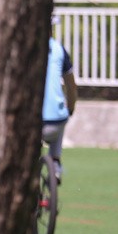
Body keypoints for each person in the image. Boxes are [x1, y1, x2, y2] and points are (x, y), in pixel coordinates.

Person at [42, 34, 78, 182]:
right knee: (61, 118)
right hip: (57, 119)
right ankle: (56, 165)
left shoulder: (24, 48)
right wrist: (71, 108)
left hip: (34, 120)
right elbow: (71, 85)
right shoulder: (59, 49)